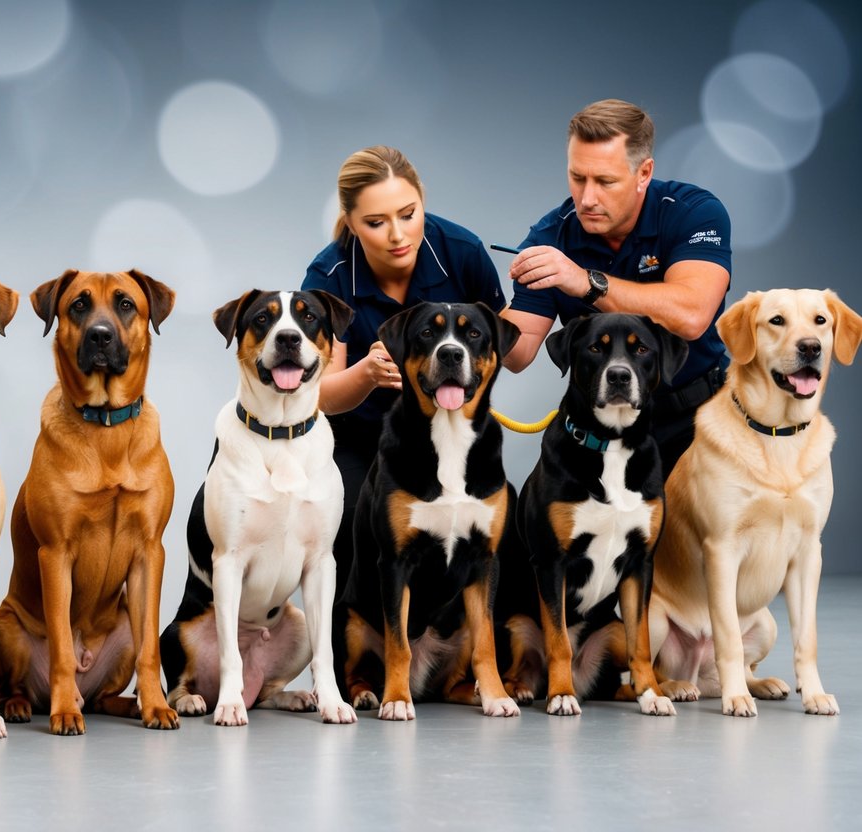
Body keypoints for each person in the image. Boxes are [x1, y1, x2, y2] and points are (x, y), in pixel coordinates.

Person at [301, 145, 506, 589]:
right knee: (352, 524)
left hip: (455, 435)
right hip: (361, 439)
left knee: (490, 543)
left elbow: (505, 346)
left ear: (422, 202)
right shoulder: (329, 276)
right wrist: (367, 373)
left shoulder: (462, 251)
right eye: (376, 223)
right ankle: (355, 650)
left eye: (408, 213)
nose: (398, 234)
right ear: (351, 222)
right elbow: (318, 396)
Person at [500, 99, 732, 476]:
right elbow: (519, 349)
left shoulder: (693, 211)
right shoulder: (550, 237)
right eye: (578, 177)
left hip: (698, 422)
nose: (587, 198)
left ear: (644, 173)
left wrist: (585, 282)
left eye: (605, 181)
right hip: (600, 427)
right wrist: (462, 322)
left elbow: (691, 316)